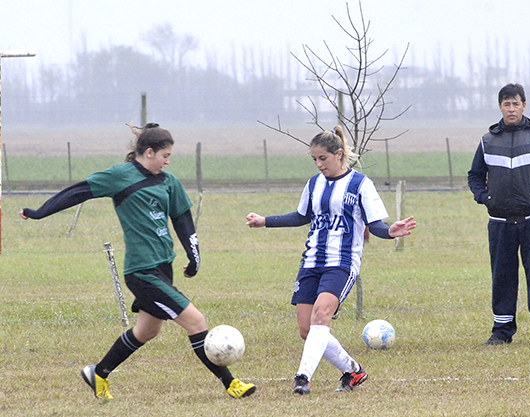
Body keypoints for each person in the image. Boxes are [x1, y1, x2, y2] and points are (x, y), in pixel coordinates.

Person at [20, 123, 256, 400]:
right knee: (196, 320)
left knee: (147, 331)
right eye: (165, 155)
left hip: (163, 269)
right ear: (149, 152)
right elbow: (78, 192)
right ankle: (231, 384)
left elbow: (183, 221)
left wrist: (195, 257)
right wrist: (38, 213)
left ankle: (98, 373)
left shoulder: (169, 182)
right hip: (142, 272)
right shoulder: (120, 176)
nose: (168, 161)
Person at [246, 125, 416, 395]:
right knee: (307, 329)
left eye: (322, 158)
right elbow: (301, 216)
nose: (318, 164)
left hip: (342, 262)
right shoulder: (314, 184)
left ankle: (302, 377)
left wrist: (390, 232)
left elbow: (377, 225)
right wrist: (264, 221)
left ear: (338, 155)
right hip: (312, 261)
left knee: (321, 315)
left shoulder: (361, 184)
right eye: (314, 159)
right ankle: (353, 371)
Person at [468, 83, 530, 346]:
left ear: (524, 105)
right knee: (502, 279)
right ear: (500, 107)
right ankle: (502, 331)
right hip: (500, 223)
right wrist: (485, 198)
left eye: (516, 103)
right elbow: (475, 176)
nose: (511, 109)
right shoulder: (487, 141)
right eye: (506, 104)